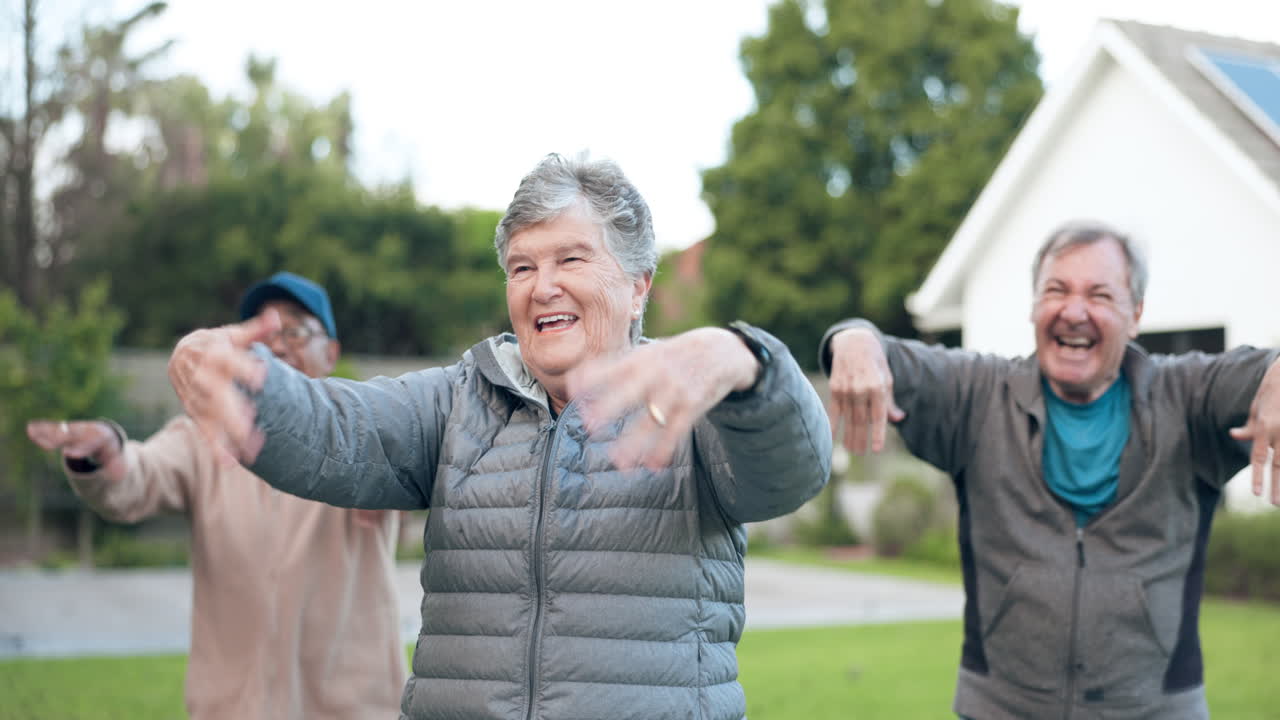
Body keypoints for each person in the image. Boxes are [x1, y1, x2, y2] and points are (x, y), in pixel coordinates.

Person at [161, 153, 832, 720]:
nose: (543, 288)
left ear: (638, 286)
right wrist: (234, 375)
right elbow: (334, 430)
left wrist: (751, 363)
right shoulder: (456, 402)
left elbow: (792, 471)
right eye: (521, 267)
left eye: (571, 258)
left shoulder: (698, 403)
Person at [821, 220, 1279, 719]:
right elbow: (884, 352)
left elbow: (1258, 371)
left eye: (1100, 295)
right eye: (1056, 290)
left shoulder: (1187, 397)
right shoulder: (979, 396)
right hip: (1000, 708)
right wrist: (853, 341)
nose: (1073, 311)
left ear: (1136, 315)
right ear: (1035, 306)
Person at [26, 272, 406, 720]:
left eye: (296, 331)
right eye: (262, 340)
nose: (279, 346)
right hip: (231, 707)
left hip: (352, 707)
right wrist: (104, 454)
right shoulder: (201, 441)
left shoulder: (360, 436)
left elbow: (390, 478)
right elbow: (137, 479)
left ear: (332, 353)